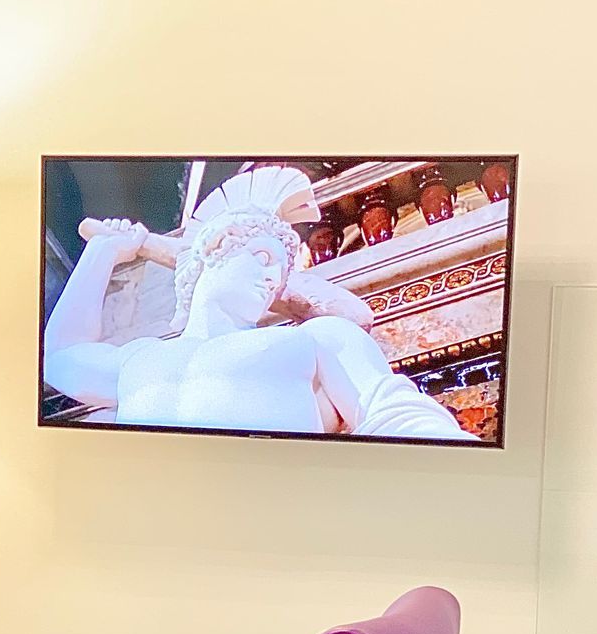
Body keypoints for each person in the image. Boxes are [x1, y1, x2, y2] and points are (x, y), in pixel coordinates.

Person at [42, 165, 472, 440]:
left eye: (282, 272)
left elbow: (394, 411)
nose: (273, 278)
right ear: (214, 251)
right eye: (263, 259)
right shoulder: (138, 360)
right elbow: (61, 357)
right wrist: (105, 251)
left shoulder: (312, 340)